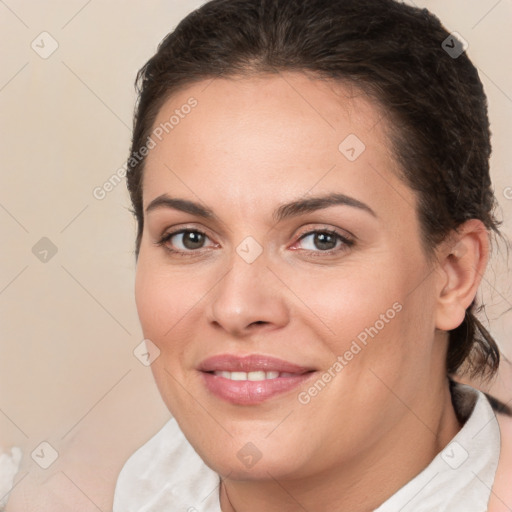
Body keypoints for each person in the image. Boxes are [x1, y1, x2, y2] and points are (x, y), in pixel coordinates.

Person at [113, 0, 512, 510]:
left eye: (323, 239)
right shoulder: (147, 483)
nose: (236, 308)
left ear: (453, 274)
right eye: (190, 238)